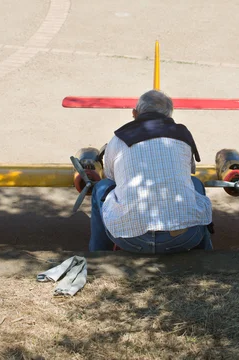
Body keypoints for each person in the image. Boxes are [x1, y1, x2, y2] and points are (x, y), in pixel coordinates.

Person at [89, 90, 213, 253]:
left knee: (102, 187)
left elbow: (112, 179)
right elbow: (189, 171)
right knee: (195, 183)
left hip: (129, 239)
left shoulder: (118, 139)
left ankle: (98, 255)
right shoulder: (183, 136)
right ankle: (206, 253)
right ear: (170, 115)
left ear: (135, 113)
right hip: (183, 239)